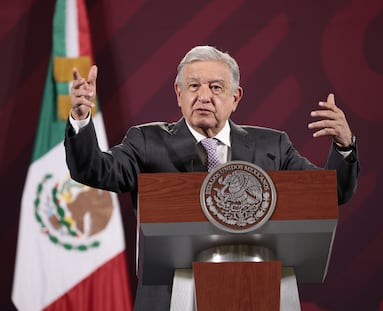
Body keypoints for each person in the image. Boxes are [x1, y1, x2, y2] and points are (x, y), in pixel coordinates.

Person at [65, 45, 360, 309]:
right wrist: (80, 119)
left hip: (256, 294)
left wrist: (344, 147)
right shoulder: (147, 141)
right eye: (193, 86)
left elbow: (330, 193)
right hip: (170, 298)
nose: (204, 96)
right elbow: (96, 170)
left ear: (236, 97)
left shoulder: (273, 146)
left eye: (216, 87)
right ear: (179, 94)